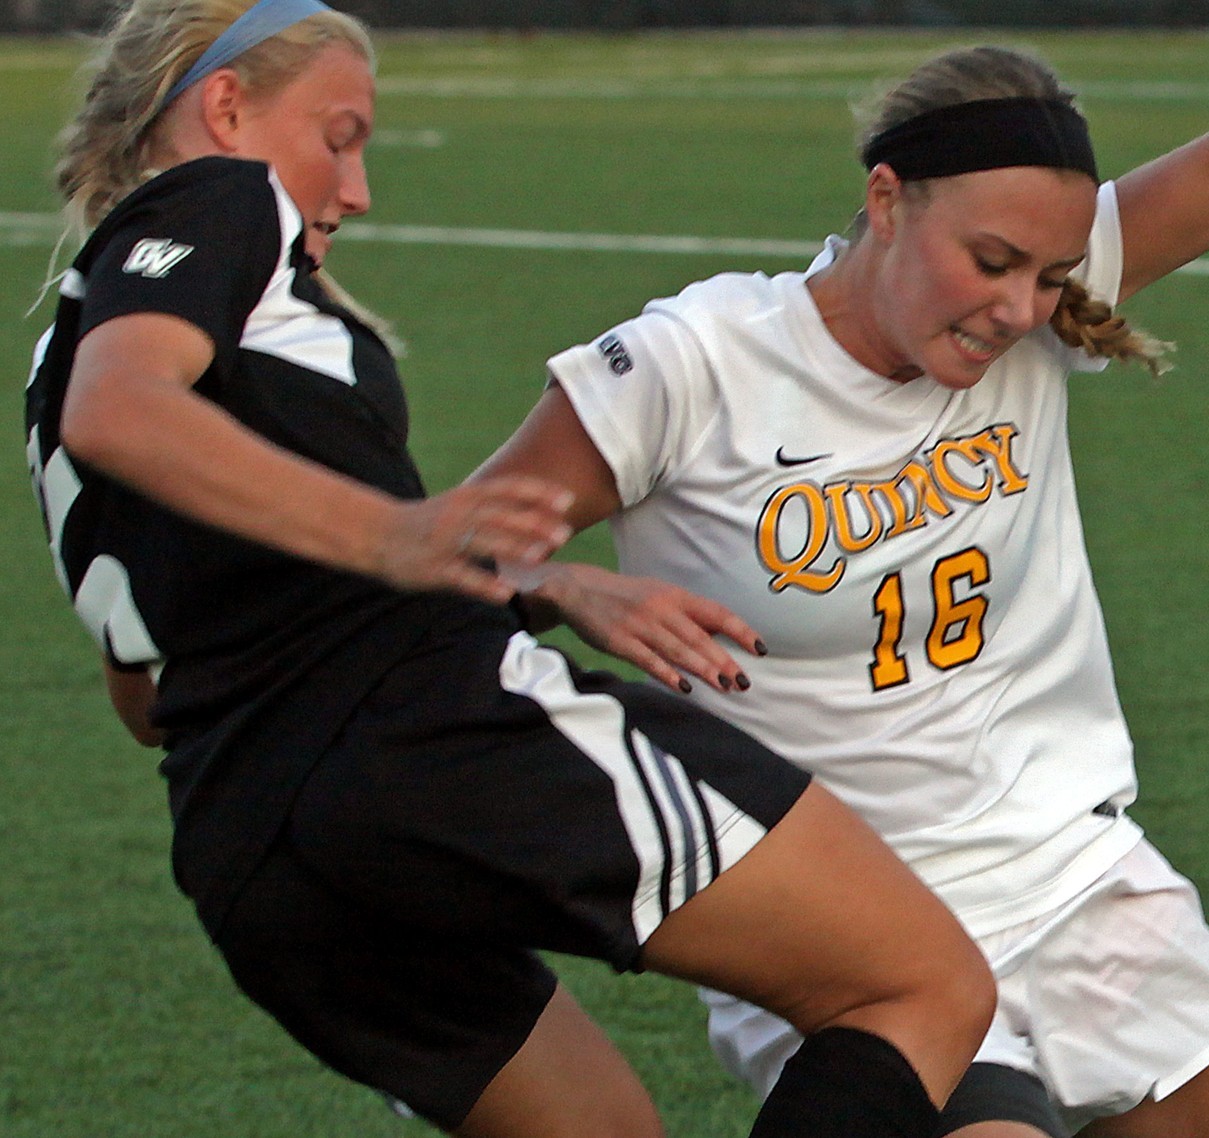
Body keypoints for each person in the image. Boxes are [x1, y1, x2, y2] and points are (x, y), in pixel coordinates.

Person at [22, 2, 1002, 1136]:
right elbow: (124, 411)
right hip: (423, 734)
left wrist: (544, 583)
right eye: (338, 137)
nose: (355, 188)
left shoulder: (61, 350)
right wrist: (400, 534)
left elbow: (147, 689)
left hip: (251, 849)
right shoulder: (220, 198)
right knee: (922, 981)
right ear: (228, 107)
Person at [472, 2, 1209, 1136]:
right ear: (885, 200)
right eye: (989, 262)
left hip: (1067, 867)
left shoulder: (1028, 309)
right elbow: (453, 545)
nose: (1018, 310)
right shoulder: (693, 365)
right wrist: (560, 585)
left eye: (1049, 275)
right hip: (843, 921)